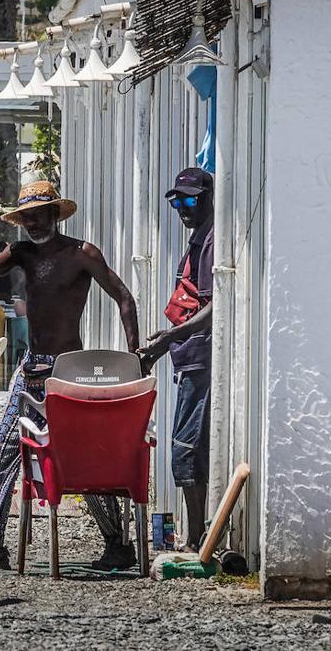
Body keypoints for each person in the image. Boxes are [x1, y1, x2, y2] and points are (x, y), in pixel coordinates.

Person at [0, 181, 142, 571]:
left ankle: (118, 544)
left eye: (36, 214)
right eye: (24, 217)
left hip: (68, 370)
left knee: (86, 457)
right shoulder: (23, 252)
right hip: (32, 366)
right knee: (2, 450)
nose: (30, 223)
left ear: (53, 214)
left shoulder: (80, 253)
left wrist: (136, 356)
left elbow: (124, 297)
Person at [137, 168, 215, 550]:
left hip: (200, 361)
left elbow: (214, 306)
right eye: (176, 202)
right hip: (186, 357)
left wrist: (170, 337)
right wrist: (161, 347)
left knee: (186, 448)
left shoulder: (212, 240)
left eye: (190, 199)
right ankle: (195, 533)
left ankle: (197, 537)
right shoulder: (197, 240)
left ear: (209, 197)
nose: (183, 208)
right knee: (184, 446)